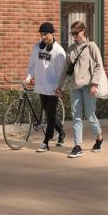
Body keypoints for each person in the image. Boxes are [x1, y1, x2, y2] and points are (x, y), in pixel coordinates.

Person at [23, 21, 68, 153]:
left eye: (45, 34)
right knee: (49, 114)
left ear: (52, 33)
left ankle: (45, 142)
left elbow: (64, 72)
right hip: (41, 86)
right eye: (41, 34)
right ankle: (61, 132)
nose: (43, 37)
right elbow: (31, 65)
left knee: (51, 116)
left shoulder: (59, 51)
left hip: (53, 88)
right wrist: (28, 77)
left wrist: (60, 87)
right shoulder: (37, 48)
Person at [64, 20, 105, 158]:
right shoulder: (70, 49)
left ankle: (99, 138)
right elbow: (66, 70)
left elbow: (99, 65)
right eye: (72, 33)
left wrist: (94, 84)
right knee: (76, 116)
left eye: (76, 33)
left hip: (88, 86)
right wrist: (59, 86)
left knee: (90, 115)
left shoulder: (91, 46)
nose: (74, 36)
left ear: (83, 31)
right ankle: (77, 146)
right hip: (75, 87)